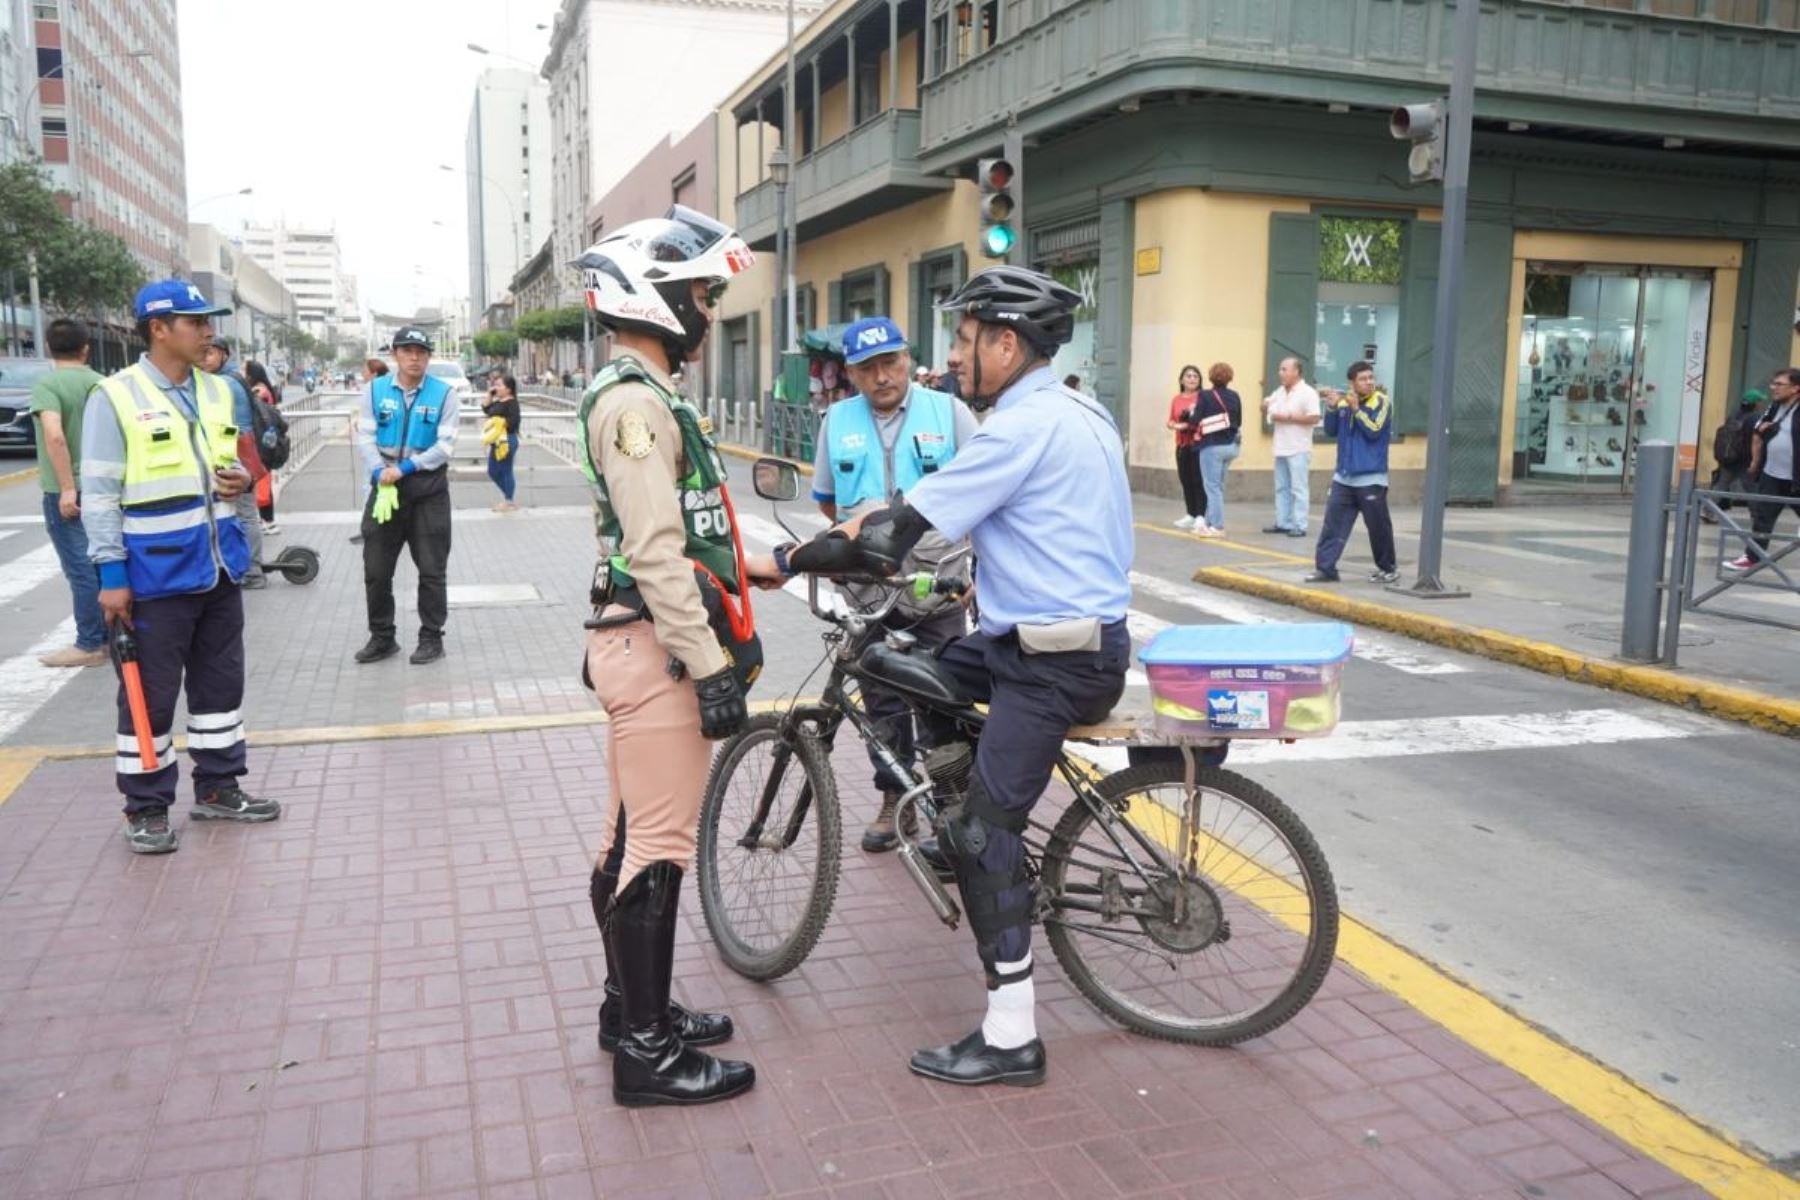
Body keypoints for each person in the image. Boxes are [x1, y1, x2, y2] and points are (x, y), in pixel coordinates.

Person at [752, 266, 1132, 1088]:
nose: (952, 358)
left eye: (964, 342)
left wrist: (787, 561)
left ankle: (1010, 1036)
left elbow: (897, 528)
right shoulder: (1078, 409)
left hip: (1053, 663)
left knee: (982, 835)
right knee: (913, 667)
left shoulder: (1015, 429)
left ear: (1005, 343)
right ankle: (959, 789)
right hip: (1033, 638)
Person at [573, 205, 759, 1107]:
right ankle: (646, 1053)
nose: (708, 312)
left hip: (639, 642)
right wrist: (712, 667)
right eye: (701, 294)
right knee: (657, 845)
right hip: (656, 651)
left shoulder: (644, 395)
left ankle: (628, 1011)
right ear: (655, 297)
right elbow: (653, 553)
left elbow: (684, 537)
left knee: (627, 835)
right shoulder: (637, 405)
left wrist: (788, 558)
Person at [80, 280, 282, 854]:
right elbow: (98, 495)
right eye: (195, 322)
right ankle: (146, 807)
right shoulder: (114, 397)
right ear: (158, 329)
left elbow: (245, 465)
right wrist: (111, 576)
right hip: (153, 577)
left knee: (220, 685)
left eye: (208, 321)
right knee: (151, 695)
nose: (208, 331)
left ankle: (218, 788)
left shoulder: (220, 391)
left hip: (218, 569)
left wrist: (243, 480)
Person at [811, 315, 979, 854]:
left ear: (908, 359)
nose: (882, 376)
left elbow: (984, 494)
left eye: (891, 362)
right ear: (851, 374)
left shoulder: (950, 412)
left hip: (938, 584)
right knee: (881, 704)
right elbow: (827, 500)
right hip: (868, 591)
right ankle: (894, 800)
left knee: (943, 700)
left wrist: (981, 576)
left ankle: (951, 806)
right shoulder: (835, 419)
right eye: (868, 368)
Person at [353, 327, 459, 666]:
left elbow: (444, 446)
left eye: (421, 351)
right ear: (395, 354)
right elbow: (366, 436)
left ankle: (431, 637)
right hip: (384, 487)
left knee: (431, 569)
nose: (415, 357)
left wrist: (407, 467)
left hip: (427, 490)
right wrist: (377, 471)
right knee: (377, 569)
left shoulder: (444, 394)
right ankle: (382, 637)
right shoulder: (374, 391)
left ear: (428, 356)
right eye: (408, 350)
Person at [30, 317, 108, 666]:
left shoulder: (48, 385)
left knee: (81, 570)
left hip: (68, 491)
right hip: (103, 486)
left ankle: (91, 643)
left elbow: (55, 435)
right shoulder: (104, 384)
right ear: (86, 349)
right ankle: (113, 635)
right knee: (105, 564)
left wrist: (65, 489)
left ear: (49, 347)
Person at [1306, 360, 1398, 584]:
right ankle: (1326, 569)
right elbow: (1330, 431)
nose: (1369, 382)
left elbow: (1374, 430)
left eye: (1370, 378)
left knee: (1378, 527)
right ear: (1352, 383)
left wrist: (1357, 409)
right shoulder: (1345, 404)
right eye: (1363, 379)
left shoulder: (1382, 402)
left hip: (1371, 477)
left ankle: (1388, 568)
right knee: (1333, 525)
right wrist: (1331, 407)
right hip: (1344, 477)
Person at [200, 337, 268, 587]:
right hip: (240, 449)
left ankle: (252, 571)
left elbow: (227, 427)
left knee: (245, 512)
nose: (204, 359)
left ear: (224, 355)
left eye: (210, 354)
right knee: (245, 512)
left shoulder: (223, 383)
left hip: (236, 452)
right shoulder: (233, 378)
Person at [1727, 368, 1800, 571]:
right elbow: (1758, 432)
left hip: (1796, 477)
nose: (1773, 388)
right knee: (1762, 517)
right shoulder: (1775, 407)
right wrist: (1756, 462)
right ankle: (1753, 557)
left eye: (1779, 384)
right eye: (1773, 383)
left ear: (1795, 388)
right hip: (1772, 474)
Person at [1262, 355, 1321, 538]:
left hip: (1299, 447)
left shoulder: (1308, 392)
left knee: (1299, 488)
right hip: (1281, 446)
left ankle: (1300, 524)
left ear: (1296, 372)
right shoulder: (1279, 391)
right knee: (1281, 487)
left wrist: (1287, 418)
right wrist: (1264, 406)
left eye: (1284, 369)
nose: (1280, 373)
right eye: (1280, 369)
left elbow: (1314, 418)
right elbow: (1266, 407)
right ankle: (1283, 522)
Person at [1192, 362, 1243, 538]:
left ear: (1211, 376)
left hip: (1212, 446)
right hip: (1232, 446)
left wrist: (1188, 416)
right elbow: (1239, 421)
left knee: (1212, 487)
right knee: (1217, 486)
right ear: (1230, 377)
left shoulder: (1205, 396)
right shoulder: (1235, 396)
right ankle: (1208, 522)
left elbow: (1195, 420)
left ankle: (1218, 526)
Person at [1704, 388, 1765, 523]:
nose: (1761, 403)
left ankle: (1708, 512)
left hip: (1729, 459)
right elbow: (1756, 440)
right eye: (1760, 401)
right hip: (1745, 460)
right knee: (1752, 490)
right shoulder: (1755, 418)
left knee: (1721, 486)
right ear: (1755, 403)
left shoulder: (1733, 416)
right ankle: (1757, 518)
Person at [349, 359, 389, 546]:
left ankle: (369, 528)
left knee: (370, 485)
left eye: (364, 370)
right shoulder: (386, 387)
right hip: (380, 445)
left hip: (373, 446)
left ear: (373, 373)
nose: (362, 373)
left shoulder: (372, 388)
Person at [242, 360, 283, 536]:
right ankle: (267, 520)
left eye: (245, 370)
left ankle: (269, 521)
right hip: (266, 442)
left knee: (262, 483)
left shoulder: (258, 391)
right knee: (263, 482)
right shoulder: (264, 388)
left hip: (261, 443)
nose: (242, 373)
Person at [1167, 364, 1205, 531]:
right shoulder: (1176, 399)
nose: (1192, 379)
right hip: (1181, 444)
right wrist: (1172, 424)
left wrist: (1189, 423)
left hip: (1198, 444)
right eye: (1188, 376)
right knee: (1185, 480)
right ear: (1182, 380)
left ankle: (1200, 515)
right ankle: (1190, 514)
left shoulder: (1203, 398)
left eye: (1195, 376)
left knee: (1198, 480)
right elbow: (1171, 419)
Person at [482, 373, 523, 512]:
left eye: (500, 385)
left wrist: (497, 422)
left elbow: (513, 422)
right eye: (496, 385)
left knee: (506, 471)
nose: (496, 387)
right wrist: (490, 394)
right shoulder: (499, 402)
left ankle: (509, 501)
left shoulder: (512, 403)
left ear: (509, 389)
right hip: (496, 441)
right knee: (492, 471)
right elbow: (486, 409)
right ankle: (508, 498)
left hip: (507, 440)